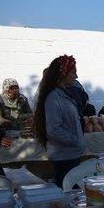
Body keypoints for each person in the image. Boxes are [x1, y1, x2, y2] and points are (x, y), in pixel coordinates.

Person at [33, 55, 86, 187]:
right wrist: (75, 140)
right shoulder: (54, 97)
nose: (76, 76)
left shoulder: (63, 94)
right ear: (63, 74)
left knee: (72, 190)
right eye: (73, 72)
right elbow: (53, 130)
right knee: (68, 191)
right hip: (64, 155)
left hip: (70, 153)